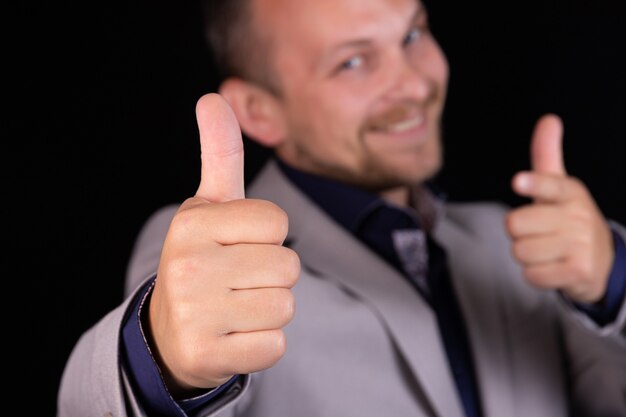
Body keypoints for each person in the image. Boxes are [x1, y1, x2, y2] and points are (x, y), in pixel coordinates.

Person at [57, 0, 626, 416]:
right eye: (353, 63)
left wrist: (614, 282)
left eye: (412, 35)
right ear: (257, 110)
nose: (413, 84)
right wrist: (159, 360)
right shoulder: (212, 255)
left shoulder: (520, 243)